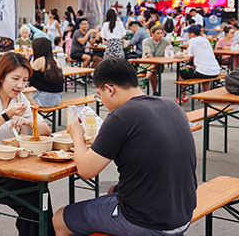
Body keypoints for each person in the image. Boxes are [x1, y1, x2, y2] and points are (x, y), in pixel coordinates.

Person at [52, 58, 197, 236]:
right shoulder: (171, 106)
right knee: (113, 191)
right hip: (182, 214)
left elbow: (85, 170)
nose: (101, 100)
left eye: (99, 94)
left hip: (149, 221)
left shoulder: (120, 116)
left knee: (60, 219)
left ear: (110, 89)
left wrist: (77, 135)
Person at [0, 52, 53, 236]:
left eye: (24, 80)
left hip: (10, 167)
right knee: (35, 194)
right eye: (15, 79)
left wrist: (28, 122)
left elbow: (46, 128)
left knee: (39, 192)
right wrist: (6, 115)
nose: (20, 85)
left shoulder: (20, 98)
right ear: (1, 76)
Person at [179, 25, 221, 102]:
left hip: (204, 71)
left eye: (188, 33)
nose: (188, 35)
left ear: (192, 33)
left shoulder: (192, 41)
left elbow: (190, 57)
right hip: (216, 70)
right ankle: (206, 97)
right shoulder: (205, 40)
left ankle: (183, 96)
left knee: (181, 73)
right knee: (204, 75)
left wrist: (180, 56)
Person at [29, 37, 63, 107]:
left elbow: (28, 74)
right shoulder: (55, 60)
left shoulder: (40, 60)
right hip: (58, 99)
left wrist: (29, 60)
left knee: (20, 94)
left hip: (44, 100)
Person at [141, 25, 171, 94]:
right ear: (152, 34)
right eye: (158, 33)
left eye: (162, 33)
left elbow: (170, 52)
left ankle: (146, 80)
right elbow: (148, 54)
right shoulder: (146, 41)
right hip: (145, 65)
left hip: (159, 65)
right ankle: (155, 91)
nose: (160, 35)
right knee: (154, 69)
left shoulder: (166, 42)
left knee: (154, 67)